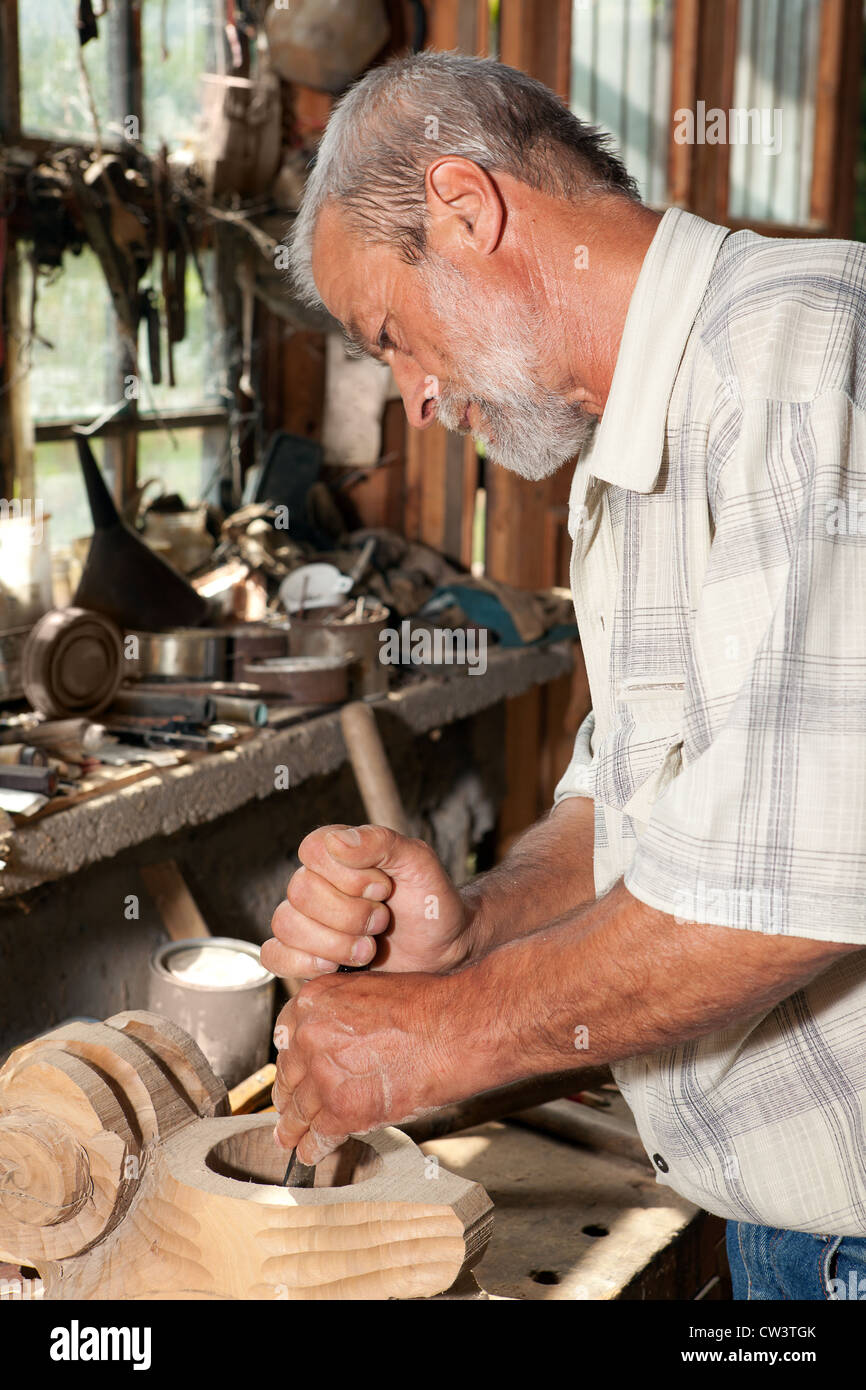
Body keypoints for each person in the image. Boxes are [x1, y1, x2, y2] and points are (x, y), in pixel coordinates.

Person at [261, 51, 866, 1301]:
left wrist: (433, 1039)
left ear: (467, 211)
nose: (418, 403)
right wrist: (473, 926)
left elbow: (788, 887)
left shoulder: (800, 359)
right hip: (778, 1237)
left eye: (392, 337)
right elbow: (633, 811)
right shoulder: (623, 449)